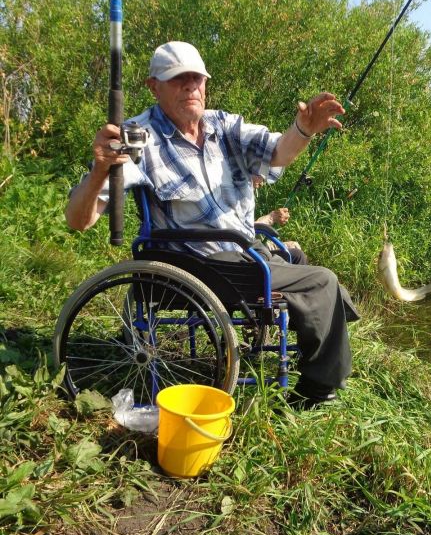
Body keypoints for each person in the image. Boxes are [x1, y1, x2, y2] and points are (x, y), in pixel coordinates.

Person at [65, 41, 358, 408]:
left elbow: (277, 151)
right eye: (178, 79)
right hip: (200, 265)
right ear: (154, 86)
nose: (191, 86)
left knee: (298, 261)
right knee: (323, 280)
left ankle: (324, 341)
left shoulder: (224, 125)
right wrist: (99, 170)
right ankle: (319, 389)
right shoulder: (138, 138)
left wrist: (303, 128)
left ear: (206, 83)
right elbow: (79, 220)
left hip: (243, 252)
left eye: (197, 78)